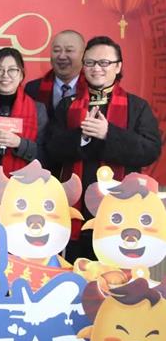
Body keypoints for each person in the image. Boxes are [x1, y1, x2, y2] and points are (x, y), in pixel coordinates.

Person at [47, 36, 161, 262]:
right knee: (75, 272)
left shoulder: (137, 106)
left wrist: (109, 133)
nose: (96, 68)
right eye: (90, 63)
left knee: (115, 277)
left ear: (118, 67)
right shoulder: (67, 105)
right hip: (76, 209)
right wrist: (82, 137)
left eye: (104, 63)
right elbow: (51, 149)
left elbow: (150, 150)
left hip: (122, 211)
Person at [0, 47, 48, 220]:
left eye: (12, 70)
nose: (5, 75)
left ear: (21, 75)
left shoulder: (38, 110)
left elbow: (46, 155)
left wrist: (20, 144)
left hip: (26, 193)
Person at [26, 30, 85, 119]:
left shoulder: (93, 89)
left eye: (69, 50)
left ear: (84, 55)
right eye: (56, 50)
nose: (61, 56)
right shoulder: (32, 89)